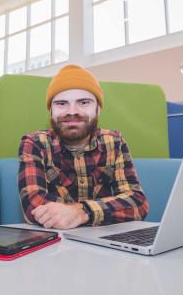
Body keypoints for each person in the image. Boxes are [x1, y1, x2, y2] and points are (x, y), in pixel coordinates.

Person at [18, 64, 149, 230]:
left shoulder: (115, 142)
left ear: (98, 109)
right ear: (51, 111)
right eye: (61, 104)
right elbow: (33, 206)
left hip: (105, 242)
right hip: (55, 243)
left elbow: (138, 203)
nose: (72, 111)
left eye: (84, 102)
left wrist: (83, 212)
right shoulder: (34, 143)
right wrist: (103, 210)